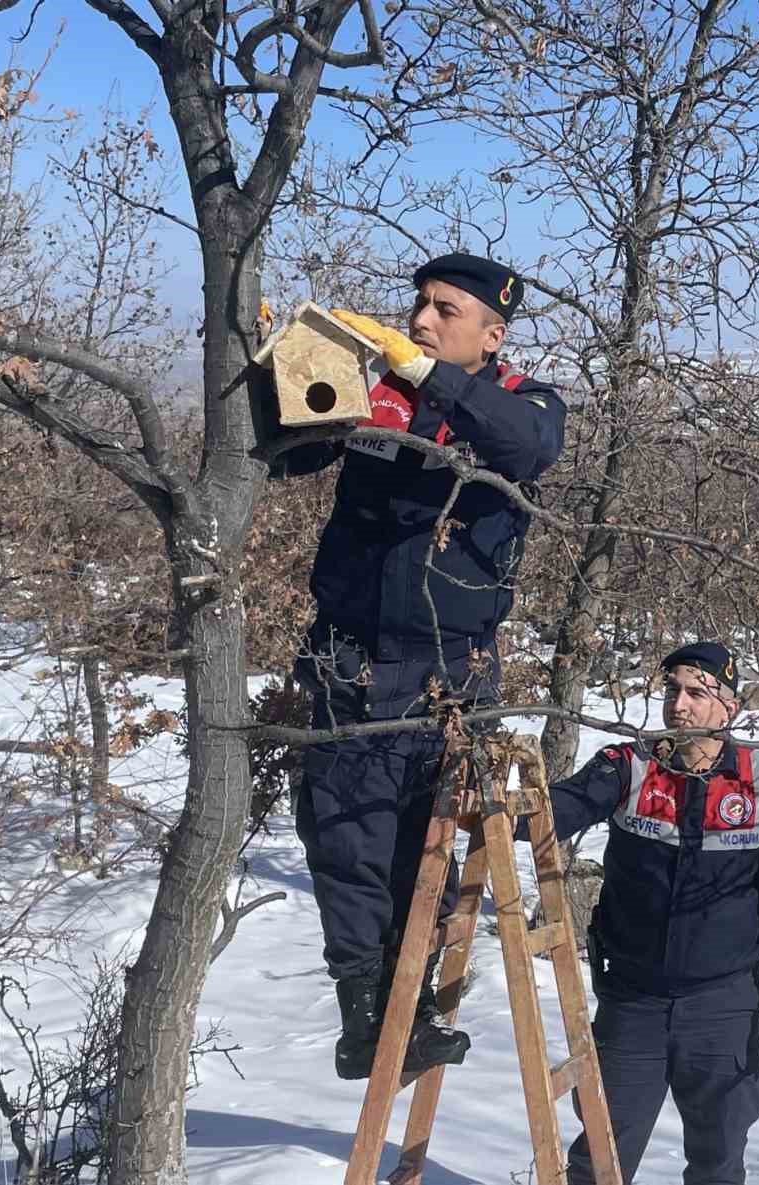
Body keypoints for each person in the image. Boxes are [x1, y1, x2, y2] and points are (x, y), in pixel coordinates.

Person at [270, 253, 565, 1080]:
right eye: (418, 306)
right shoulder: (384, 396)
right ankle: (365, 1020)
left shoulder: (526, 404)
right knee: (347, 841)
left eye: (445, 310)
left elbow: (524, 449)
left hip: (452, 678)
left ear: (492, 333)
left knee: (428, 853)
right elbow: (287, 452)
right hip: (355, 665)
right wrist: (283, 369)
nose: (422, 320)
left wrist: (425, 375)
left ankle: (416, 1005)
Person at [531, 641, 759, 1185]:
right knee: (601, 1154)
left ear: (729, 707)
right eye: (671, 690)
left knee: (718, 1158)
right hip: (633, 1002)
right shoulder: (630, 766)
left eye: (695, 692)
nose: (678, 705)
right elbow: (553, 813)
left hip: (723, 1007)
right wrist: (505, 797)